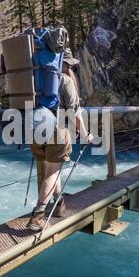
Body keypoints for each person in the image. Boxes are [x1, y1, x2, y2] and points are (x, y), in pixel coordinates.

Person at [27, 48, 93, 232]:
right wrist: (85, 134)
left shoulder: (35, 80)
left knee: (51, 168)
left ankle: (59, 204)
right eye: (69, 64)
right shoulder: (65, 81)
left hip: (34, 129)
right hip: (57, 130)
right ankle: (38, 217)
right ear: (61, 63)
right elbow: (74, 113)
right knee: (52, 173)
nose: (70, 68)